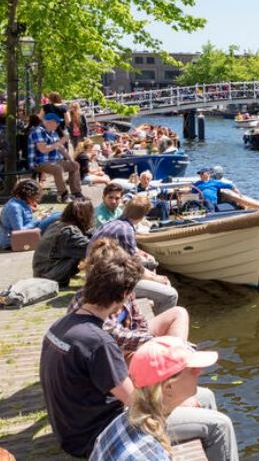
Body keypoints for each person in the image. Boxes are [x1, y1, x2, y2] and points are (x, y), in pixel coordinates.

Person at [40, 238, 143, 457]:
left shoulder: (61, 325)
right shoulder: (99, 342)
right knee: (215, 424)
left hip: (71, 434)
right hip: (95, 438)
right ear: (124, 295)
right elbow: (138, 404)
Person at [90, 336, 239, 461]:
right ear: (168, 387)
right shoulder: (150, 455)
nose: (200, 371)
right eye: (192, 369)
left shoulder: (122, 421)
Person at [89, 195, 178, 314]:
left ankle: (151, 304)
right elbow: (133, 266)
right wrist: (155, 278)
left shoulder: (112, 224)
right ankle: (157, 327)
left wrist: (141, 252)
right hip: (110, 283)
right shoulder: (126, 231)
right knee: (170, 293)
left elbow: (126, 253)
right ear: (143, 215)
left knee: (150, 260)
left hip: (96, 276)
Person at [32, 197, 94, 286]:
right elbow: (92, 249)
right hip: (49, 278)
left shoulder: (57, 224)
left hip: (41, 272)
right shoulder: (69, 233)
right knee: (96, 252)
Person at [28, 112, 82, 201]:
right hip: (40, 162)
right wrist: (60, 142)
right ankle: (64, 195)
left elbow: (61, 149)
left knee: (75, 165)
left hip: (55, 161)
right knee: (58, 169)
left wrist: (71, 159)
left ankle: (76, 193)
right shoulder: (38, 131)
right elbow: (43, 149)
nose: (58, 124)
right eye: (56, 122)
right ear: (49, 122)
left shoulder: (53, 132)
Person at [0, 178, 60, 249]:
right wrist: (38, 219)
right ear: (28, 195)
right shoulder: (15, 207)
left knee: (55, 214)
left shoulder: (18, 201)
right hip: (12, 240)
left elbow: (24, 220)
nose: (36, 199)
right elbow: (19, 231)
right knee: (59, 215)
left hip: (21, 233)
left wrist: (38, 215)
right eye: (35, 196)